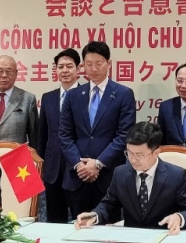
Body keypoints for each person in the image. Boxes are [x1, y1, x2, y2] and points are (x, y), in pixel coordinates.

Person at [74, 122, 186, 234]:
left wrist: (179, 218)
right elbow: (109, 206)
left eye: (139, 155)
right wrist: (94, 215)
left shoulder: (176, 175)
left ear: (156, 152)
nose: (133, 160)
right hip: (130, 239)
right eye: (129, 153)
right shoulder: (120, 173)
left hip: (164, 238)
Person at [58, 41, 136, 218]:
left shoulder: (123, 94)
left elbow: (124, 135)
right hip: (77, 176)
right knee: (78, 226)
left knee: (109, 228)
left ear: (109, 64)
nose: (93, 69)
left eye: (99, 63)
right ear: (83, 66)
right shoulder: (73, 95)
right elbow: (64, 135)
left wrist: (98, 163)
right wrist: (80, 165)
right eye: (89, 64)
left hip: (108, 177)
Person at [34, 48, 81, 223]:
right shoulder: (48, 98)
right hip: (53, 166)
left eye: (69, 66)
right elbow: (42, 134)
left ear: (78, 69)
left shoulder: (86, 95)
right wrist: (41, 164)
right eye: (60, 67)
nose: (65, 70)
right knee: (54, 218)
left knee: (80, 216)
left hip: (78, 165)